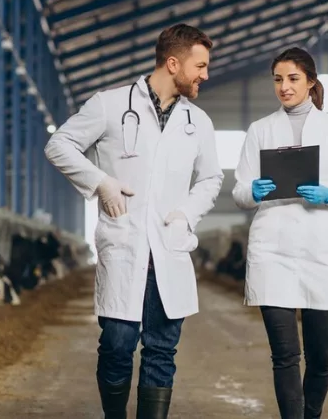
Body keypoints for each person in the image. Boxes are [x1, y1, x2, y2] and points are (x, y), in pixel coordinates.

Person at [44, 23, 223, 418]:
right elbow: (59, 145)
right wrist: (100, 182)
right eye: (201, 66)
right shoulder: (109, 104)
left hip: (169, 249)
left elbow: (211, 178)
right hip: (124, 246)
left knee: (161, 351)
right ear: (173, 63)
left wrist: (187, 215)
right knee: (116, 345)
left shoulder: (199, 121)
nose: (205, 75)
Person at [231, 47, 328, 419]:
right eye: (278, 79)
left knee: (322, 356)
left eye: (292, 79)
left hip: (318, 248)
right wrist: (252, 191)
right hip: (272, 249)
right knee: (285, 355)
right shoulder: (260, 130)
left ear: (310, 82)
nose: (284, 87)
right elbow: (239, 190)